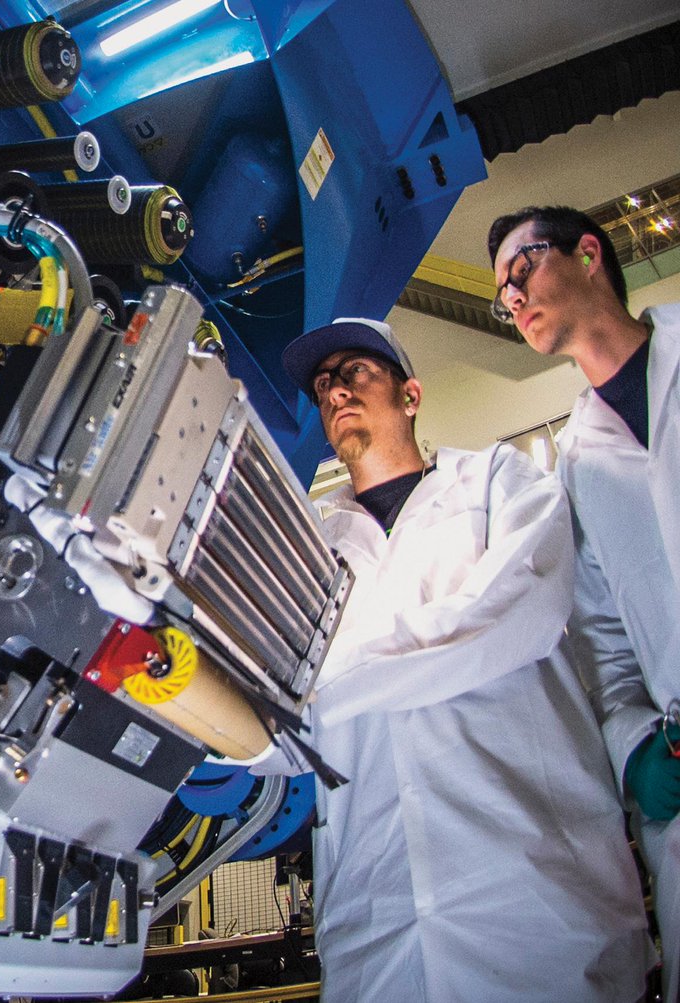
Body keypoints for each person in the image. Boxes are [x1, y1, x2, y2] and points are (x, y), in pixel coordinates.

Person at [279, 318, 654, 1002]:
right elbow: (269, 719)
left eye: (356, 372)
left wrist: (318, 691)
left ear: (412, 394)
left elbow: (511, 616)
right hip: (375, 922)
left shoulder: (498, 481)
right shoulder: (308, 546)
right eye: (324, 383)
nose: (335, 391)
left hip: (534, 895)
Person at [488, 205, 680, 998]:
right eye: (502, 293)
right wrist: (635, 747)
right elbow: (603, 641)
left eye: (523, 267)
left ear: (589, 253)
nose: (512, 296)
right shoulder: (576, 467)